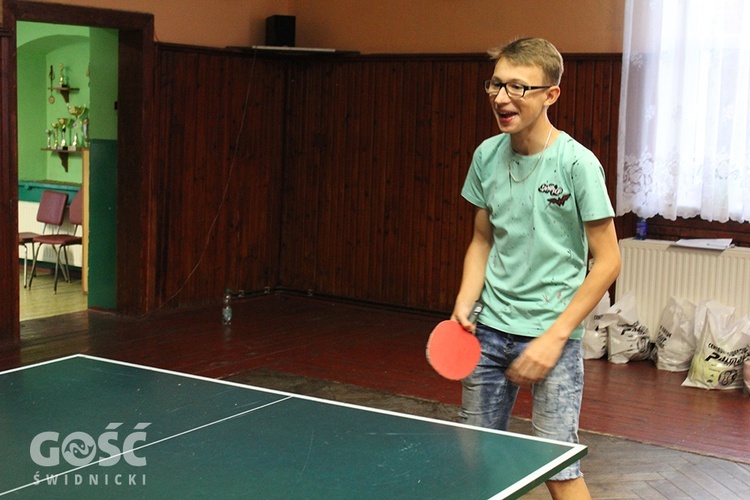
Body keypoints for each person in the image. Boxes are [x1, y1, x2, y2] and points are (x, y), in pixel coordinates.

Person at [451, 38, 621, 499]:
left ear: (551, 94)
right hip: (487, 333)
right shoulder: (486, 156)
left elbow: (607, 262)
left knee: (558, 466)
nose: (502, 97)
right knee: (473, 456)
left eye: (518, 87)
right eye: (496, 85)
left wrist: (554, 336)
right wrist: (466, 302)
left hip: (554, 337)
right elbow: (483, 239)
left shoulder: (577, 164)